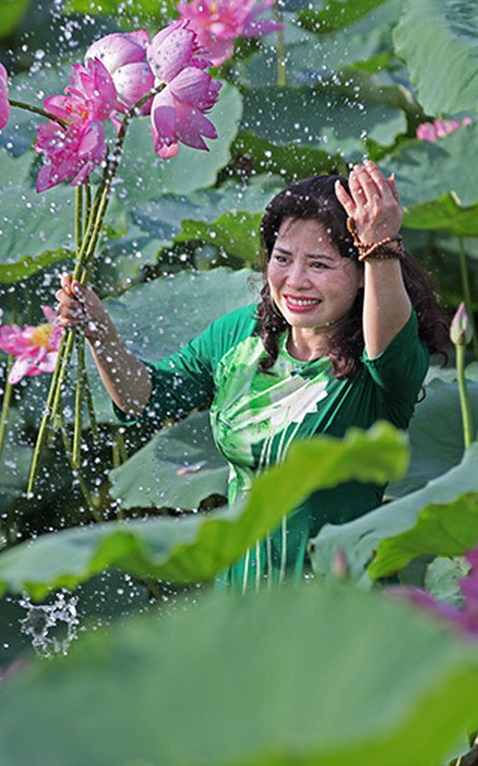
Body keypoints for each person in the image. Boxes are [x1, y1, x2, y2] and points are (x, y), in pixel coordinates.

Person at [55, 161, 448, 589]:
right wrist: (100, 333)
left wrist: (381, 245)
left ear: (361, 277)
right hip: (240, 604)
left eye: (319, 265)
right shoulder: (241, 335)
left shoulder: (382, 369)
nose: (295, 281)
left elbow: (386, 343)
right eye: (282, 259)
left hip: (340, 613)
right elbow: (146, 399)